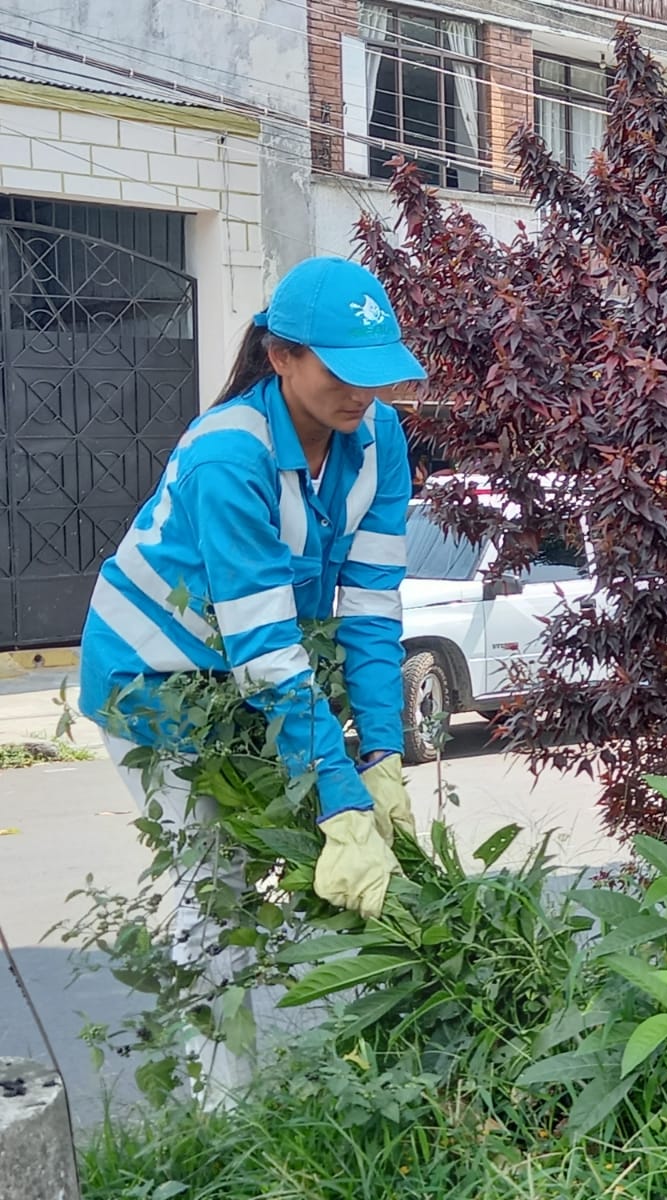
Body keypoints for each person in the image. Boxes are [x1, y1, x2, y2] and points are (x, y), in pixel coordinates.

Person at [79, 256, 427, 1103]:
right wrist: (340, 798)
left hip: (249, 676)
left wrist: (381, 754)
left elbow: (372, 610)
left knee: (319, 855)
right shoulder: (227, 456)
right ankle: (220, 1106)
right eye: (343, 373)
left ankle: (340, 1079)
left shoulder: (378, 438)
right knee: (219, 883)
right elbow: (267, 649)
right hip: (152, 685)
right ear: (282, 357)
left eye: (375, 375)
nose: (362, 395)